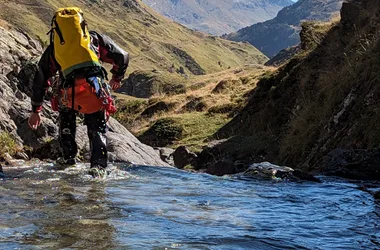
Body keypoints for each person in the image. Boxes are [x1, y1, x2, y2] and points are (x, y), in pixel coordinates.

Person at [28, 7, 129, 176]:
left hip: (67, 93)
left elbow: (41, 79)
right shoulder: (94, 39)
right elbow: (122, 56)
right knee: (97, 129)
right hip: (94, 89)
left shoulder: (55, 49)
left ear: (56, 28)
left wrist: (36, 110)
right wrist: (116, 78)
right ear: (82, 24)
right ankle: (98, 168)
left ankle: (68, 159)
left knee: (66, 123)